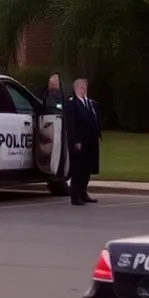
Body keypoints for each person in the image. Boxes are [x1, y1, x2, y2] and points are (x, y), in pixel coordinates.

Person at [63, 77, 101, 206]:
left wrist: (98, 135)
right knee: (78, 169)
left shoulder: (90, 103)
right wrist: (76, 141)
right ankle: (75, 195)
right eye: (82, 87)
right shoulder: (72, 104)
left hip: (90, 141)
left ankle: (83, 192)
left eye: (85, 87)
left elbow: (95, 120)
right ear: (76, 88)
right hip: (79, 141)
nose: (85, 90)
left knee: (87, 168)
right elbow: (71, 125)